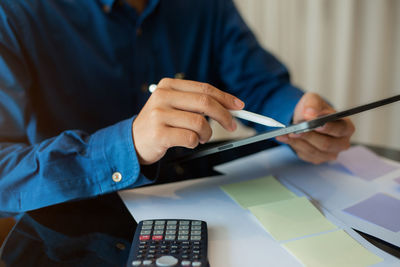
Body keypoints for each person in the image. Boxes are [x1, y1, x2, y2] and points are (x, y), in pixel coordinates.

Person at [0, 0, 354, 215]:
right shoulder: (12, 14)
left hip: (201, 208)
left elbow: (257, 84)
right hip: (69, 233)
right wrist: (128, 145)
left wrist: (297, 115)